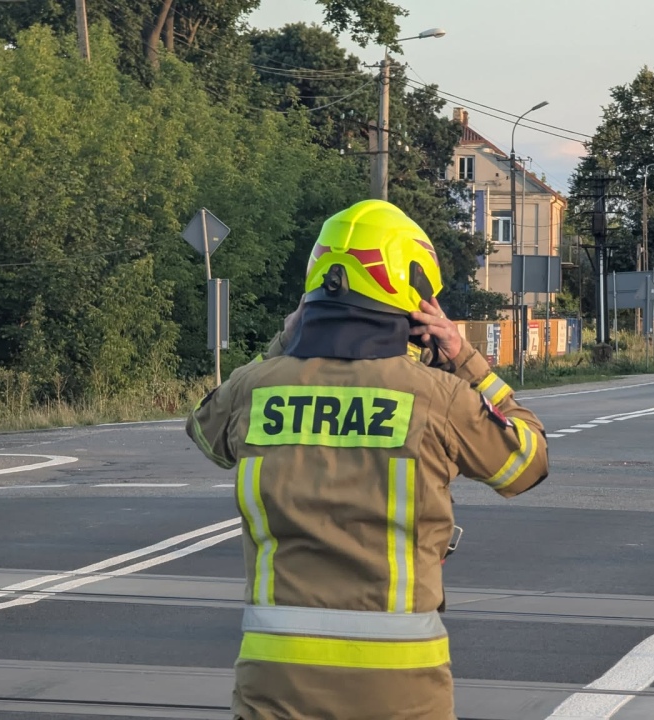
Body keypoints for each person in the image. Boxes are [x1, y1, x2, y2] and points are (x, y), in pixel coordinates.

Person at [186, 199, 550, 720]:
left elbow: (204, 431)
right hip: (400, 690)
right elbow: (528, 463)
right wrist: (464, 356)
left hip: (275, 684)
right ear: (411, 293)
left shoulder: (254, 388)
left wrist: (285, 342)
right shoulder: (438, 397)